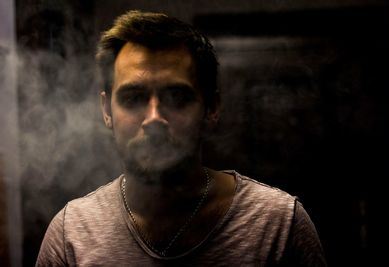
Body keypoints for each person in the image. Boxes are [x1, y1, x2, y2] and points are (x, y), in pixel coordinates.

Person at [36, 10, 327, 266]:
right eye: (134, 97)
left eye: (177, 97)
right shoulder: (71, 233)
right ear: (106, 110)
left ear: (211, 108)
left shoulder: (277, 225)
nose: (154, 118)